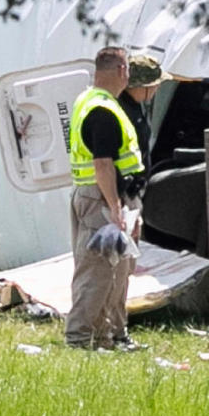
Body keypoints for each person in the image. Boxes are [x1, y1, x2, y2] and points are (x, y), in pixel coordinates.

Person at [65, 46, 145, 351]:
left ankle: (107, 336)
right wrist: (115, 206)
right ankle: (80, 337)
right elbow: (103, 163)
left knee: (116, 269)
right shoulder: (103, 110)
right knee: (97, 269)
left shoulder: (90, 100)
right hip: (102, 199)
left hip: (112, 198)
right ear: (122, 71)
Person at [108, 54, 171, 348]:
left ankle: (116, 329)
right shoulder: (123, 113)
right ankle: (111, 331)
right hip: (124, 196)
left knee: (125, 266)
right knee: (117, 267)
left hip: (130, 195)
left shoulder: (130, 109)